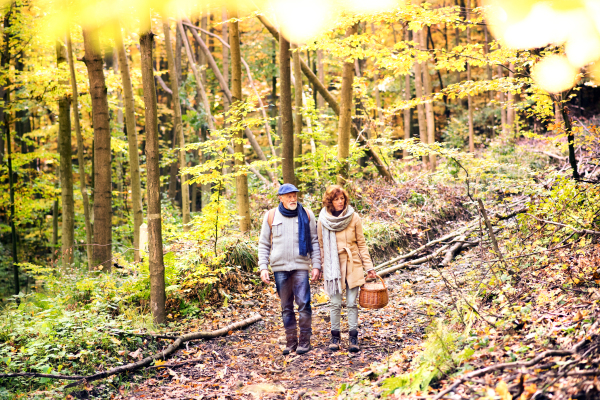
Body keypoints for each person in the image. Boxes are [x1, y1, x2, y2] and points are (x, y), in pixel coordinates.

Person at [258, 183, 322, 355]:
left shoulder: (307, 215)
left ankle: (304, 341)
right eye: (289, 196)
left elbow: (315, 241)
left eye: (295, 195)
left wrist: (316, 265)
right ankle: (291, 341)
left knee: (304, 304)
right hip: (279, 268)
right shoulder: (271, 216)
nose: (293, 198)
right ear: (281, 198)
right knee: (286, 307)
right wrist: (263, 267)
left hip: (301, 266)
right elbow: (264, 244)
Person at [317, 185, 377, 352]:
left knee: (351, 303)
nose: (340, 202)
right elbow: (321, 246)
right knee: (335, 303)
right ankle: (335, 337)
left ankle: (353, 337)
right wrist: (321, 267)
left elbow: (362, 244)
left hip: (353, 264)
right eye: (336, 199)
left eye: (342, 198)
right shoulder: (323, 220)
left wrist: (369, 266)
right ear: (330, 202)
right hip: (332, 266)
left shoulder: (354, 217)